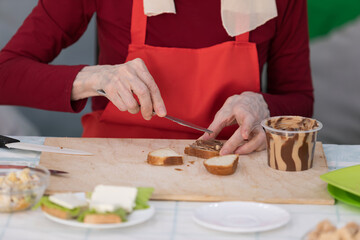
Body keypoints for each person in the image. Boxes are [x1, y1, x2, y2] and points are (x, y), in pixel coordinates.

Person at [0, 0, 313, 155]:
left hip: (236, 170)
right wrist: (94, 78)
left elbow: (299, 100)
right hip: (112, 167)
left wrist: (264, 108)